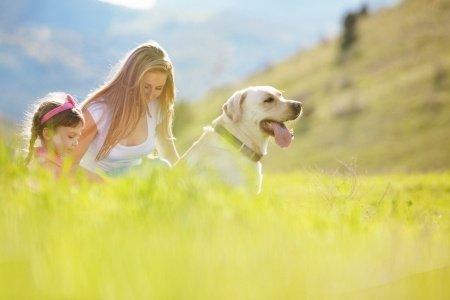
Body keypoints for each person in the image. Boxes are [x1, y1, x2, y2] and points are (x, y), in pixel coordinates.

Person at [73, 41, 179, 176]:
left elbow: (169, 152)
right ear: (132, 79)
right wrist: (110, 187)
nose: (151, 94)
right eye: (146, 86)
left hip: (130, 183)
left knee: (162, 167)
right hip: (97, 184)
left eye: (158, 88)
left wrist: (184, 184)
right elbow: (68, 165)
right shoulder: (98, 111)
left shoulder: (157, 107)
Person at [24, 92, 84, 177]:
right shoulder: (47, 166)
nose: (76, 143)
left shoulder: (56, 162)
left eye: (77, 137)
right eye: (71, 136)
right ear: (48, 134)